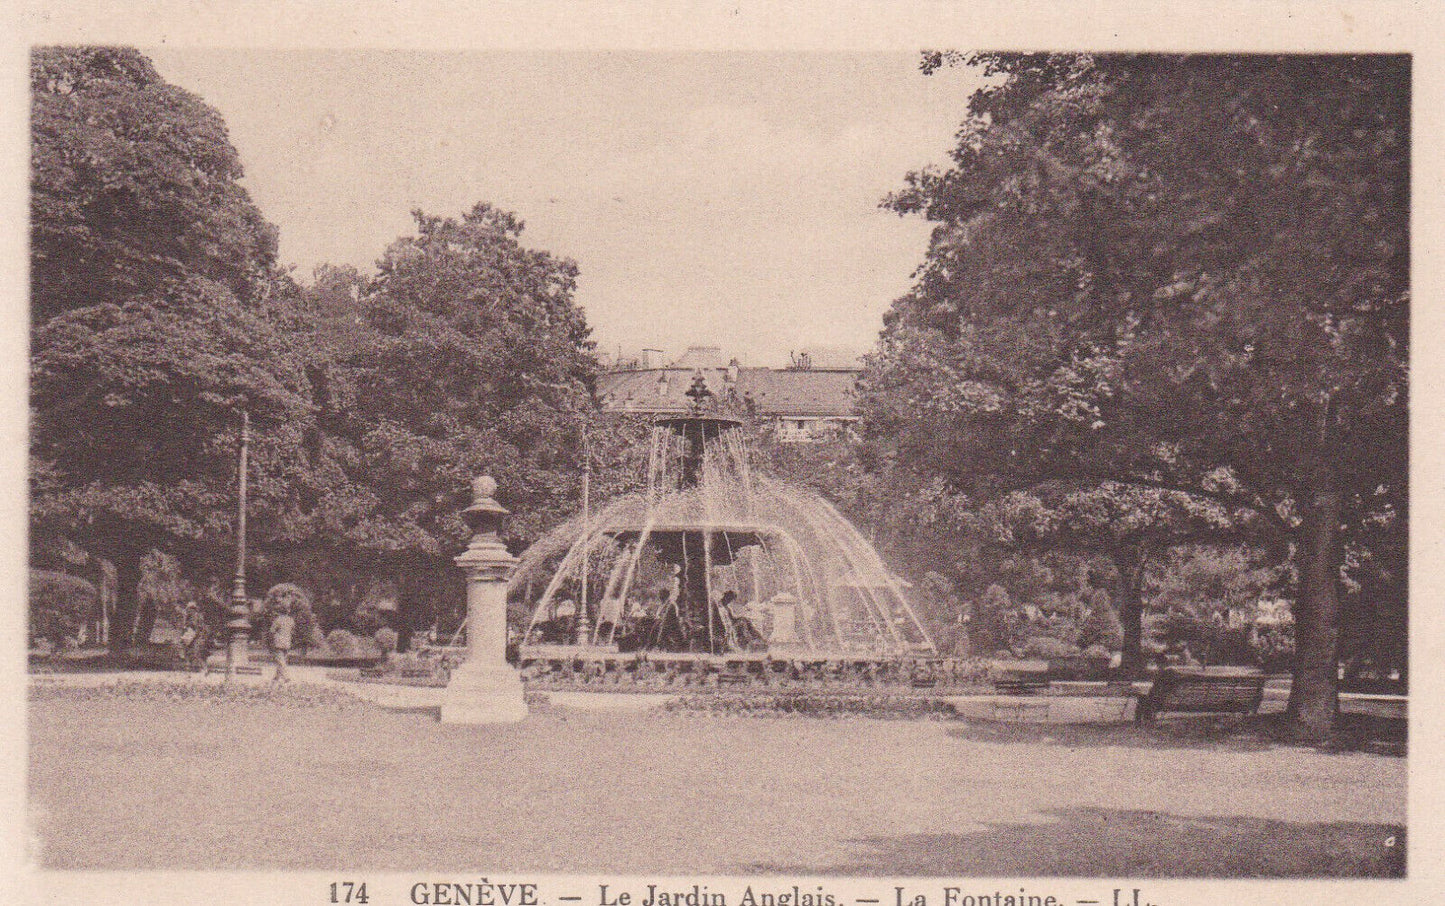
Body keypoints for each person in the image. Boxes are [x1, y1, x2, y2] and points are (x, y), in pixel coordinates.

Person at [269, 603, 295, 683]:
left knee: (281, 661)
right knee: (282, 660)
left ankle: (286, 677)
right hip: (287, 642)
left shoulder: (278, 620)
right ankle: (276, 677)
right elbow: (293, 631)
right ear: (288, 611)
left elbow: (272, 631)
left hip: (278, 643)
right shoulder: (291, 620)